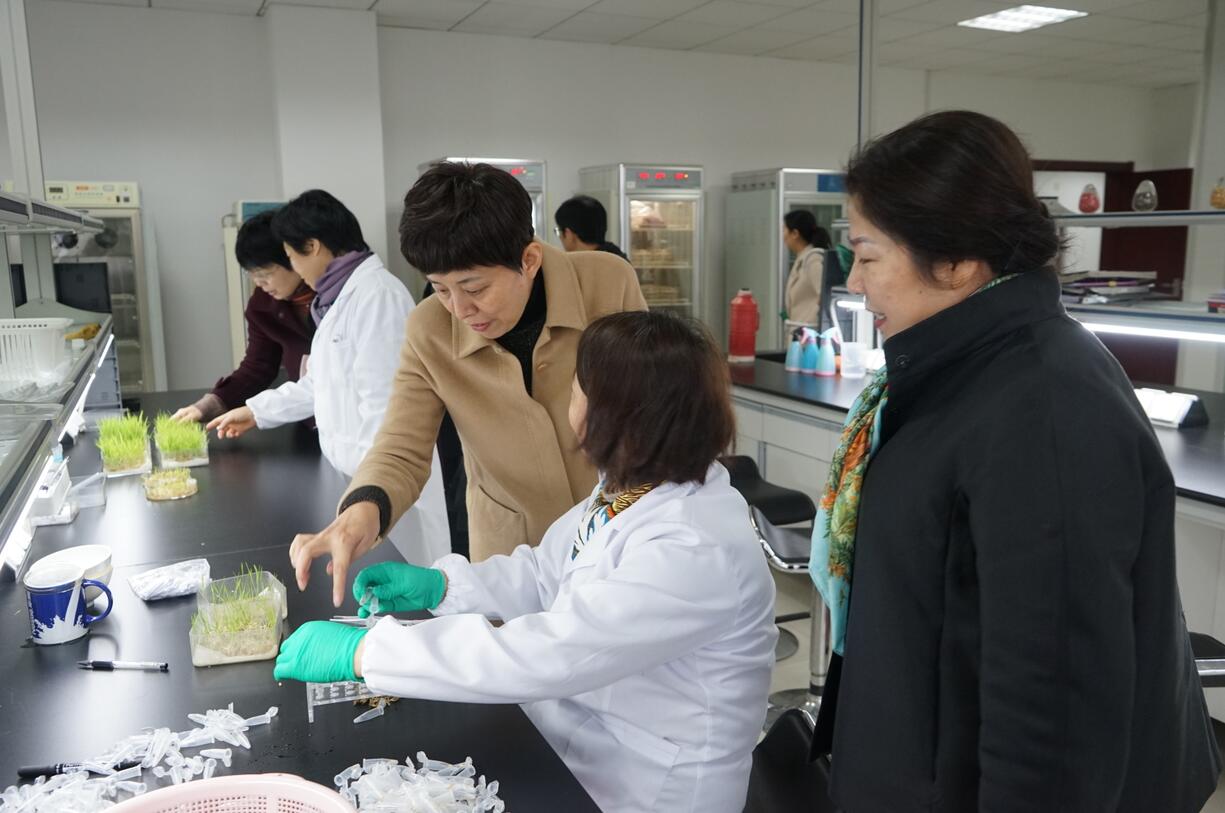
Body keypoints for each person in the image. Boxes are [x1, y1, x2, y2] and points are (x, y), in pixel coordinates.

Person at [810, 110, 1220, 812]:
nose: (853, 283)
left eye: (868, 257)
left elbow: (1053, 710)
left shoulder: (1043, 408)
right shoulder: (952, 372)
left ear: (956, 260)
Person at [273, 310, 778, 813]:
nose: (568, 401)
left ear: (613, 416)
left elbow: (553, 651)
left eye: (576, 388)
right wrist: (443, 586)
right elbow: (544, 571)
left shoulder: (693, 548)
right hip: (583, 742)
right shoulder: (633, 489)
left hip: (647, 787)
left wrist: (368, 653)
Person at [287, 163, 646, 607]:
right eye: (440, 289)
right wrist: (362, 510)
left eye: (473, 288)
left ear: (529, 260)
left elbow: (651, 404)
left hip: (619, 529)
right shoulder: (429, 329)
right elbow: (401, 446)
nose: (459, 308)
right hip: (510, 551)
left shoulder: (607, 283)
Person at [207, 189, 450, 565]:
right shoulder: (336, 301)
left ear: (314, 246)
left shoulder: (378, 297)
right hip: (356, 481)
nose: (293, 267)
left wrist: (369, 494)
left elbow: (387, 410)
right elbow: (319, 385)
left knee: (403, 586)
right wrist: (256, 411)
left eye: (291, 256)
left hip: (385, 491)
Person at [171, 210, 314, 424]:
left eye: (265, 273)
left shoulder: (334, 297)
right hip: (305, 418)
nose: (260, 283)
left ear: (293, 257)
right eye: (252, 274)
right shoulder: (263, 305)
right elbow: (257, 367)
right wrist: (208, 405)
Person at [781, 209, 830, 328]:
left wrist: (810, 321)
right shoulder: (803, 258)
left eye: (784, 229)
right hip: (800, 331)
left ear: (795, 233)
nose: (783, 235)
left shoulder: (813, 259)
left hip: (808, 332)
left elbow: (826, 296)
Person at [554, 194, 629, 263]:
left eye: (559, 231)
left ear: (568, 234)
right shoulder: (619, 261)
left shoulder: (584, 268)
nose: (560, 238)